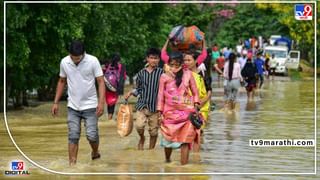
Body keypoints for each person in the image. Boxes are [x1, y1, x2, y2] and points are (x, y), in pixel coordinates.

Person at [51, 40, 105, 166]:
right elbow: (62, 81)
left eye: (78, 58)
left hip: (91, 105)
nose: (75, 60)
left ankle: (95, 152)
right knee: (73, 135)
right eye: (73, 58)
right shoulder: (64, 62)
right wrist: (55, 102)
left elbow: (101, 82)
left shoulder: (93, 61)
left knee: (92, 135)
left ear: (83, 54)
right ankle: (72, 165)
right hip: (72, 106)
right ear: (69, 54)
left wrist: (101, 103)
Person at [157, 51, 200, 165]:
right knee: (168, 139)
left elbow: (195, 92)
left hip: (187, 113)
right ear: (168, 64)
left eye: (177, 65)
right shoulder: (164, 77)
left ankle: (183, 169)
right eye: (172, 65)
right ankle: (167, 161)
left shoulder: (188, 74)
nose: (174, 68)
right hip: (169, 113)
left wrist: (196, 105)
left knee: (185, 141)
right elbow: (160, 96)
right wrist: (159, 112)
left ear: (182, 64)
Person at [125, 48, 163, 150]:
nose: (154, 60)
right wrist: (131, 92)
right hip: (142, 105)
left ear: (159, 59)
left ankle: (151, 151)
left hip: (155, 107)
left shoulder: (162, 73)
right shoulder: (141, 73)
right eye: (151, 58)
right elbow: (139, 89)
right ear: (147, 59)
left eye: (156, 58)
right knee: (139, 126)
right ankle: (142, 138)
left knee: (154, 131)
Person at [102, 53, 126, 121]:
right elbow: (122, 78)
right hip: (115, 87)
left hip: (108, 87)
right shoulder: (121, 66)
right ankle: (111, 116)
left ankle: (110, 116)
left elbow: (102, 75)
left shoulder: (107, 66)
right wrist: (121, 91)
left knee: (109, 102)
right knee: (113, 102)